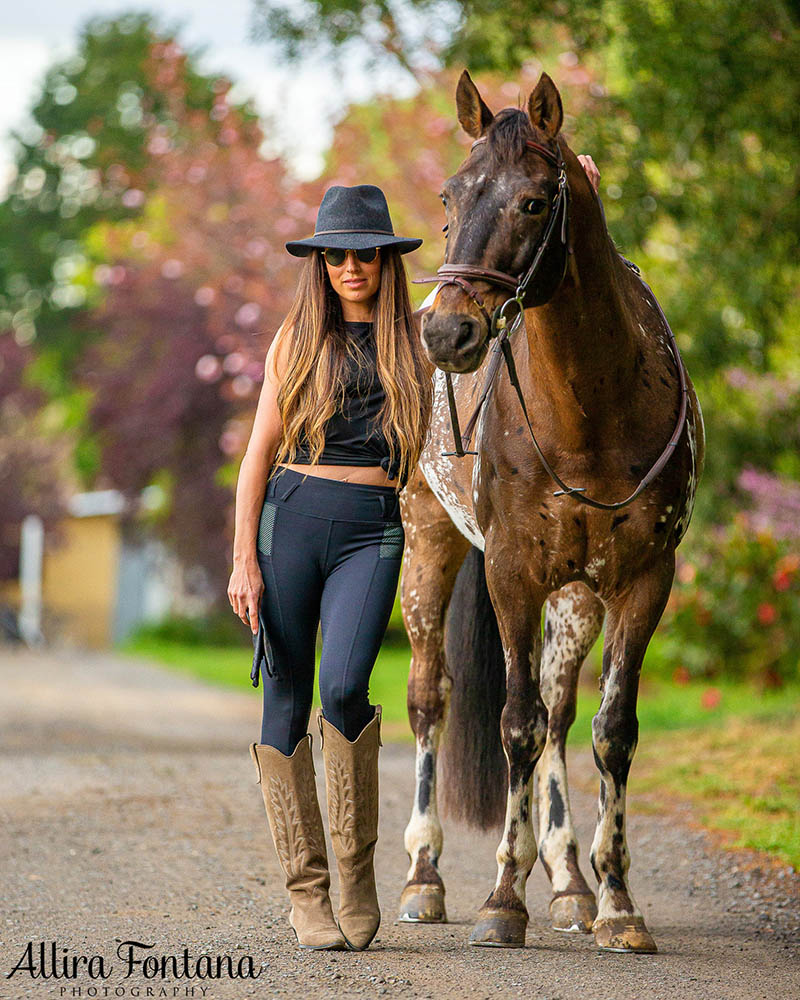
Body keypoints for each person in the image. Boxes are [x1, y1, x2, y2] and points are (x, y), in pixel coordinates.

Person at [227, 184, 432, 952]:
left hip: (371, 532)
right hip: (291, 523)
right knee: (284, 700)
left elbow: (504, 296)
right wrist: (243, 558)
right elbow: (256, 455)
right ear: (320, 262)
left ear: (386, 261)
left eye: (365, 254)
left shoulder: (414, 340)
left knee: (345, 686)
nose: (351, 266)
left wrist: (581, 191)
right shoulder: (295, 338)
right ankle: (306, 893)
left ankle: (355, 875)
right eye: (337, 254)